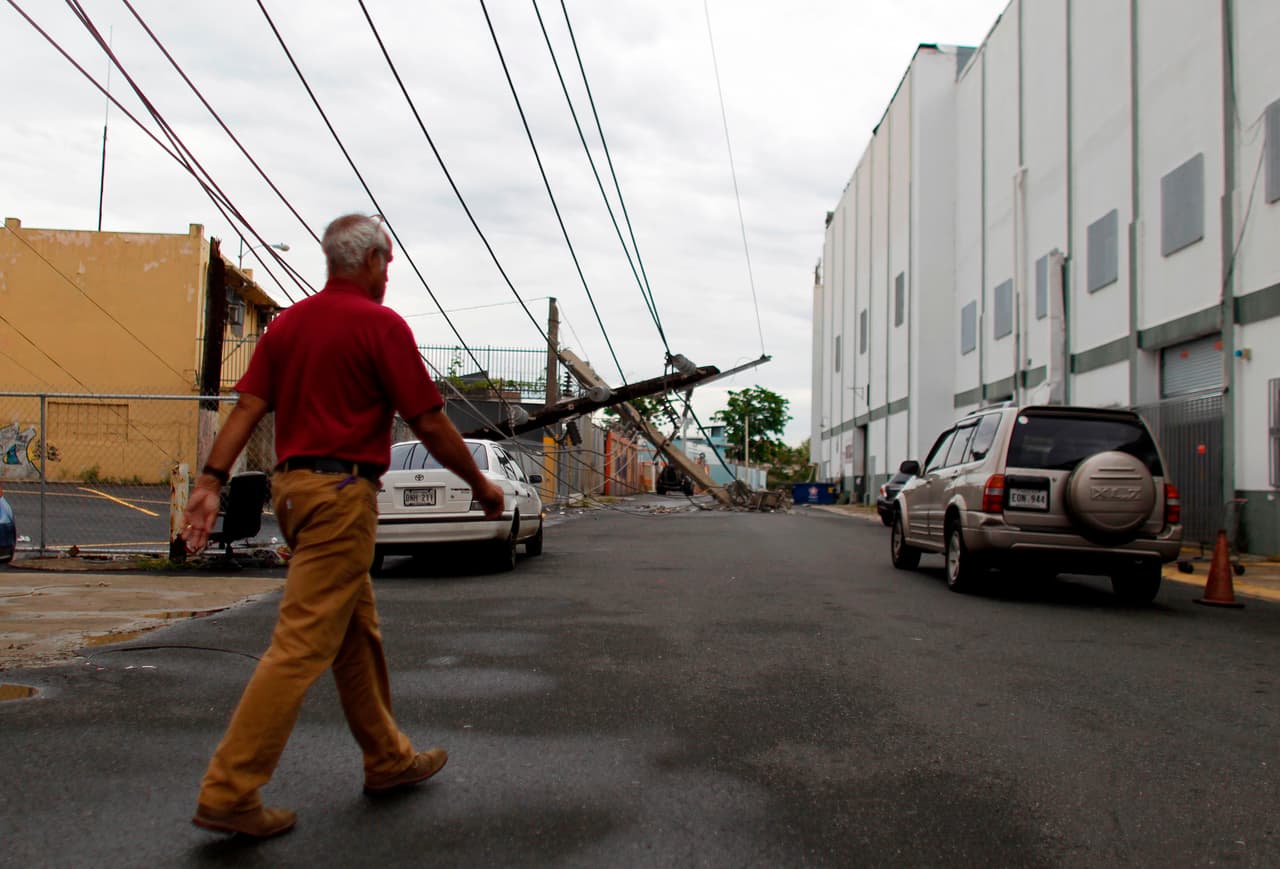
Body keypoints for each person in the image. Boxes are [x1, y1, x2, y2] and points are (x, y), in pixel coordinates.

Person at [181, 213, 505, 839]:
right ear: (377, 260)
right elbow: (430, 422)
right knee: (302, 643)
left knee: (356, 632)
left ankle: (387, 758)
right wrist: (481, 483)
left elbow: (248, 406)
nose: (390, 274)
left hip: (294, 494)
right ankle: (230, 789)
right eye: (389, 263)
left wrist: (210, 480)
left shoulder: (291, 324)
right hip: (340, 496)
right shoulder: (381, 326)